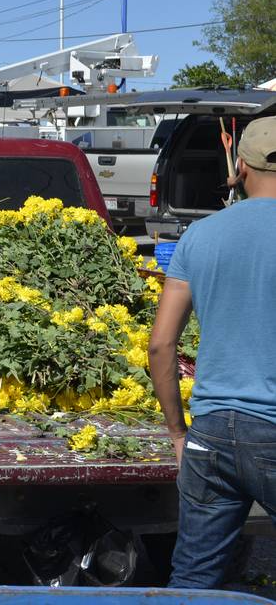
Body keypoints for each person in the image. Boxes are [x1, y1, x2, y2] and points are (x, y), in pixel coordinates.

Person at [148, 116, 276, 590]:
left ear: (240, 166)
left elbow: (161, 345)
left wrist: (179, 434)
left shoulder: (199, 237)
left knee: (194, 581)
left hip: (212, 433)